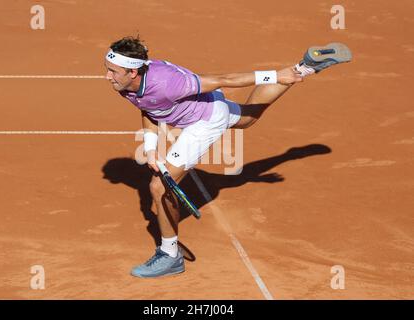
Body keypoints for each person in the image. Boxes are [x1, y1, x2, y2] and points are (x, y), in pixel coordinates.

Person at [104, 36, 352, 278]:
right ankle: (305, 67)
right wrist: (149, 147)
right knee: (247, 118)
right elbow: (148, 108)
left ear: (132, 72)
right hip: (208, 107)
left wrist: (275, 75)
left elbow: (225, 79)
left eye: (113, 71)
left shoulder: (168, 83)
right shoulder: (125, 84)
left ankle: (170, 256)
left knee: (159, 186)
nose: (107, 76)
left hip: (205, 120)